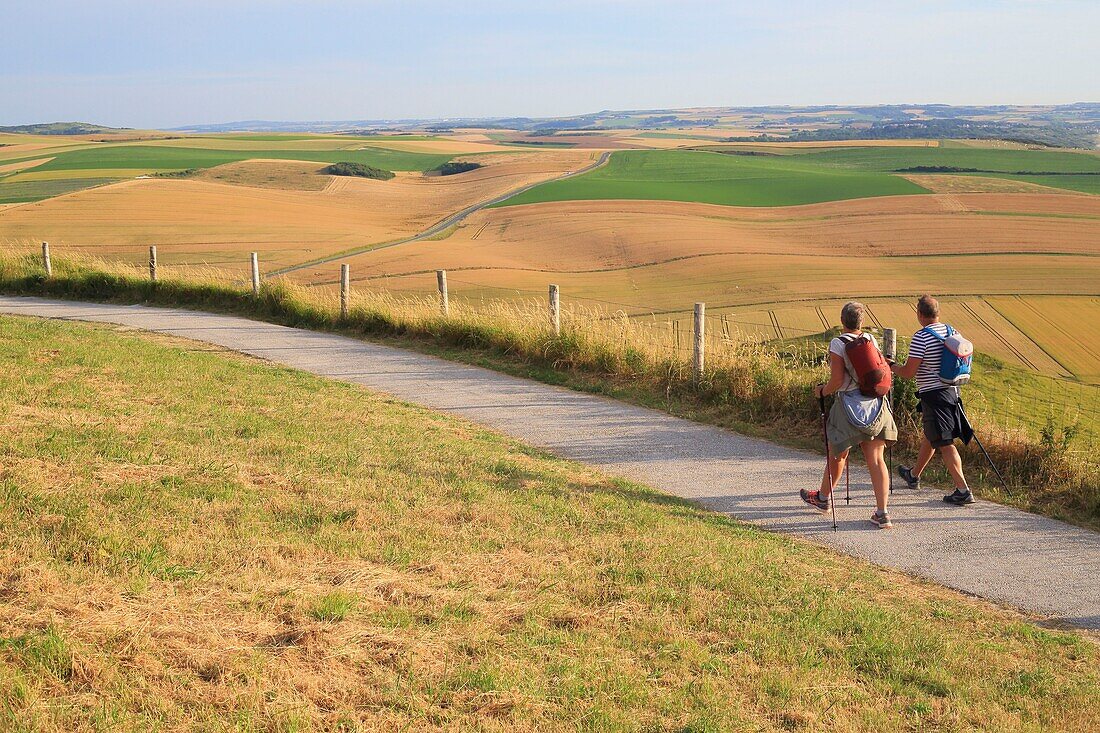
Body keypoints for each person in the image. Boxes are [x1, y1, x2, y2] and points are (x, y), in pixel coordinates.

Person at [801, 302, 898, 528]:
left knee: (838, 455)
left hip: (847, 406)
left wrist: (821, 391)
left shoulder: (838, 343)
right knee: (876, 459)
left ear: (842, 321)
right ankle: (882, 513)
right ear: (861, 322)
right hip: (874, 404)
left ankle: (824, 499)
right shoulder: (871, 340)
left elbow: (837, 381)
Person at [889, 295, 976, 505]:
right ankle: (913, 475)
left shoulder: (921, 337)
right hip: (952, 392)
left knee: (945, 443)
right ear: (938, 313)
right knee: (932, 435)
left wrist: (891, 366)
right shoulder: (952, 331)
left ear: (919, 314)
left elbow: (909, 372)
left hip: (933, 395)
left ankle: (963, 490)